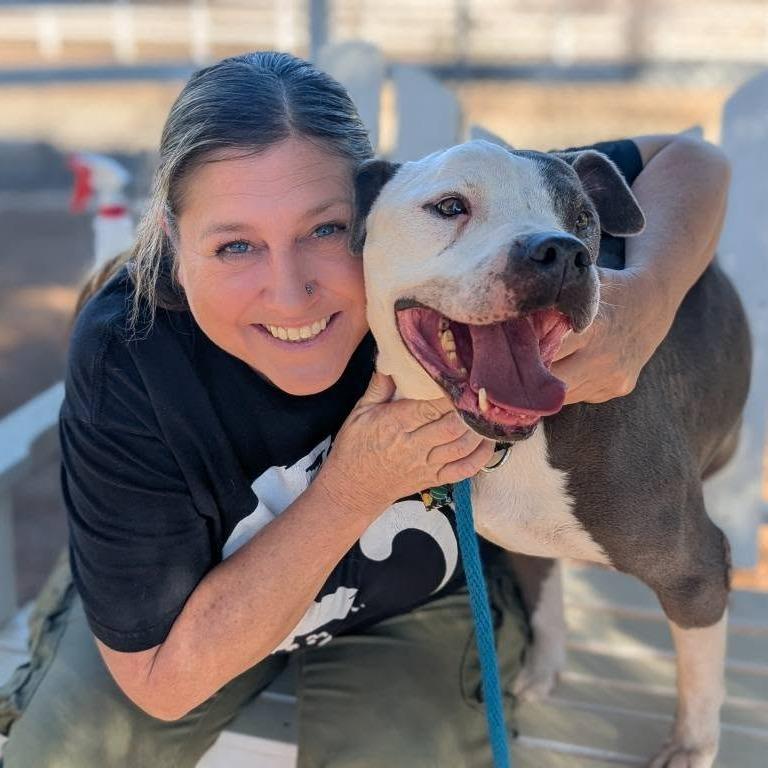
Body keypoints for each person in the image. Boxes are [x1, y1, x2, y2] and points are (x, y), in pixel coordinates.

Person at [0, 51, 730, 768]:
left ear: (372, 207)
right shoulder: (132, 356)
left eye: (323, 230)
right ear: (172, 239)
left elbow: (691, 162)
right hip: (190, 611)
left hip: (416, 601)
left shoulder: (444, 237)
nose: (289, 295)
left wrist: (650, 301)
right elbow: (162, 683)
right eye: (233, 246)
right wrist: (354, 486)